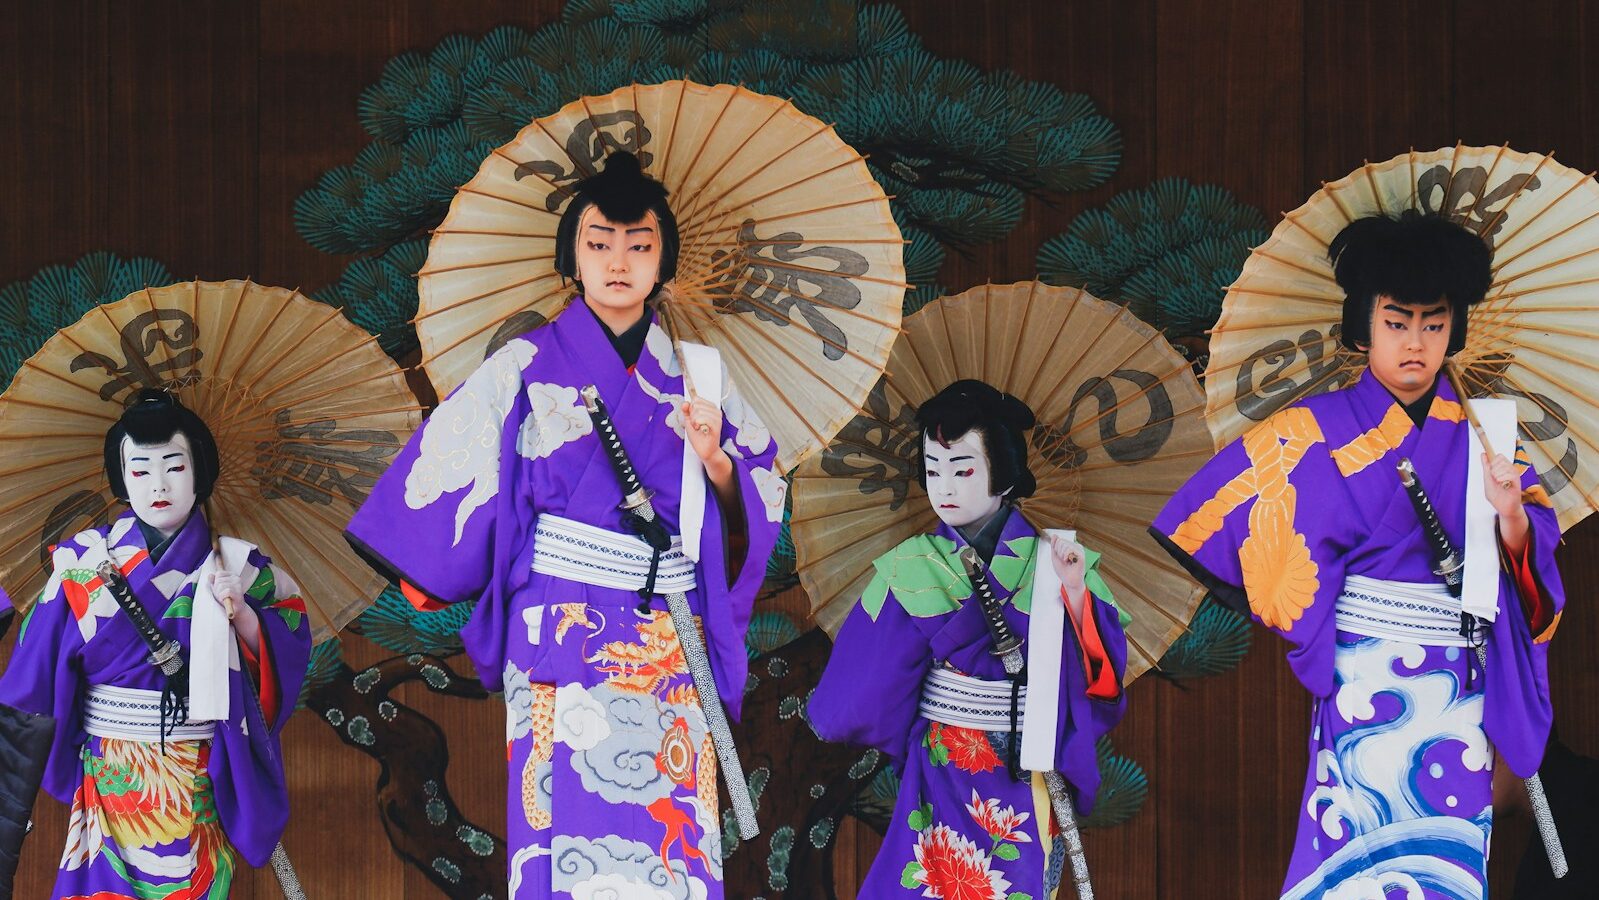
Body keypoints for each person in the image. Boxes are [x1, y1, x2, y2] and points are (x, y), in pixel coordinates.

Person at [345, 150, 786, 899]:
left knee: (669, 830)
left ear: (662, 262)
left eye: (639, 246)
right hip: (560, 626)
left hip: (664, 632)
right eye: (599, 243)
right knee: (560, 831)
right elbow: (453, 476)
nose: (619, 261)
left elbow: (755, 511)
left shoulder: (699, 378)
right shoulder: (521, 365)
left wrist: (715, 463)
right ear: (571, 258)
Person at [1151, 213, 1564, 899]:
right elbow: (1223, 527)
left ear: (1453, 330)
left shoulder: (1489, 439)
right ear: (1362, 324)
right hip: (1361, 673)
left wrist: (1511, 513)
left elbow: (1536, 583)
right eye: (1396, 323)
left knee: (1447, 856)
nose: (1415, 344)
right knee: (1355, 845)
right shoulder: (1308, 431)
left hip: (1458, 680)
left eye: (1433, 325)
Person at [808, 379, 1128, 899]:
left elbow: (1105, 677)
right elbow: (861, 687)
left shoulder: (1058, 563)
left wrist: (1073, 594)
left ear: (1004, 472)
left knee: (1017, 881)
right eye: (933, 470)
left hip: (1027, 768)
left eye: (963, 470)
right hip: (942, 767)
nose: (945, 488)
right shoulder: (910, 567)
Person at [0, 388, 311, 898]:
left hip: (197, 775)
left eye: (174, 465)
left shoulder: (237, 567)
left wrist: (248, 619)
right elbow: (29, 683)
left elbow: (293, 640)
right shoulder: (82, 564)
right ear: (122, 480)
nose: (158, 485)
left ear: (201, 471)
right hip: (109, 775)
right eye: (140, 470)